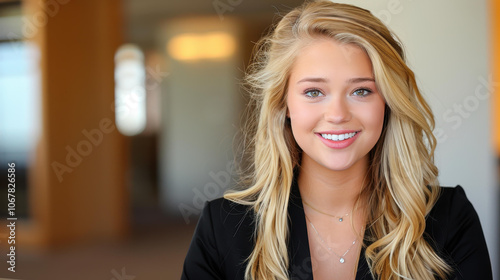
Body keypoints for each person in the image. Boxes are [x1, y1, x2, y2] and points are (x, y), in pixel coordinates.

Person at [181, 1, 493, 279]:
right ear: (284, 104)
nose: (338, 114)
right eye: (314, 92)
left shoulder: (448, 218)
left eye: (361, 91)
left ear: (387, 102)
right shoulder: (222, 226)